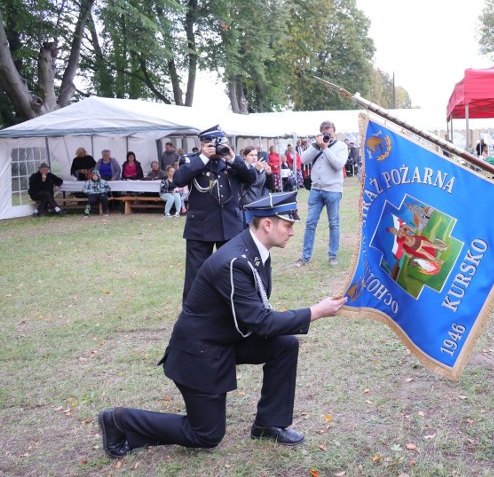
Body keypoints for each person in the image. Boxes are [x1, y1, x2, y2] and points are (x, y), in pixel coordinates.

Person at [96, 192, 347, 459]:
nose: (292, 232)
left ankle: (268, 424)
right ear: (267, 225)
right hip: (200, 353)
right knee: (206, 435)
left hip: (226, 340)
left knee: (285, 345)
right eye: (288, 225)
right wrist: (315, 312)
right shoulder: (235, 262)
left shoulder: (256, 251)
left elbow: (256, 312)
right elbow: (261, 322)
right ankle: (120, 420)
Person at [173, 125, 256, 301]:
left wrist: (233, 158)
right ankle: (193, 312)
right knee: (195, 275)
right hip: (200, 227)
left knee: (233, 271)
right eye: (212, 144)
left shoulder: (232, 161)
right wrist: (203, 157)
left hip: (229, 225)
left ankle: (233, 308)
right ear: (203, 143)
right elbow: (178, 179)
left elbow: (252, 177)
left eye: (221, 143)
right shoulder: (190, 160)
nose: (218, 147)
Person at [295, 120, 349, 268]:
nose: (327, 137)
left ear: (334, 133)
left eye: (329, 134)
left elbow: (338, 165)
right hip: (315, 189)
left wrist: (325, 148)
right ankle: (305, 257)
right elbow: (303, 160)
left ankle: (333, 255)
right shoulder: (316, 145)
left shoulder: (342, 146)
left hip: (333, 190)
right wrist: (316, 145)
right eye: (324, 134)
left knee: (334, 223)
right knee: (310, 223)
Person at [240, 145, 274, 217]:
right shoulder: (242, 168)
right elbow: (244, 186)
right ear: (245, 157)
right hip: (246, 205)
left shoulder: (262, 168)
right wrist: (256, 170)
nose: (254, 157)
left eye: (256, 155)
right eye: (251, 155)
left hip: (260, 203)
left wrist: (269, 174)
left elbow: (270, 186)